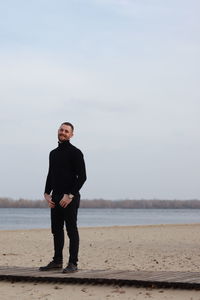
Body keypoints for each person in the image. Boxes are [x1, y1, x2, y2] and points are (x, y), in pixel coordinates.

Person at [39, 122, 87, 273]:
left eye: (67, 131)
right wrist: (46, 193)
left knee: (71, 230)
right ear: (58, 131)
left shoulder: (76, 152)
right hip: (56, 197)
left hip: (70, 198)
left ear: (71, 135)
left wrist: (70, 195)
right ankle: (57, 261)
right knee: (56, 230)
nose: (63, 132)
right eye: (61, 130)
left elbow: (83, 177)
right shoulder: (53, 153)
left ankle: (73, 263)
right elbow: (50, 174)